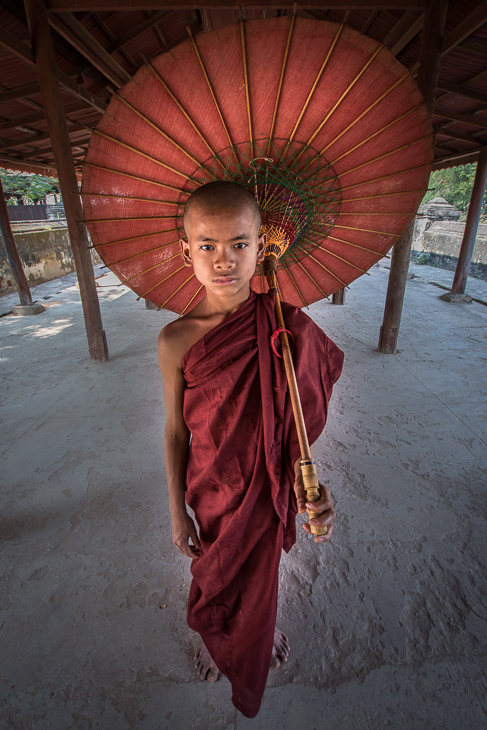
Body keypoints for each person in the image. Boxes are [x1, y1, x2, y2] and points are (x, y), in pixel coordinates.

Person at [158, 181, 344, 718]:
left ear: (262, 248)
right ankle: (215, 635)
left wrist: (313, 489)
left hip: (268, 483)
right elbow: (176, 432)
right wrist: (176, 511)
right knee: (213, 567)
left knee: (260, 568)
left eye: (240, 244)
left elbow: (295, 426)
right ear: (185, 248)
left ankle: (262, 624)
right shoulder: (176, 339)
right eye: (208, 244)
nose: (224, 261)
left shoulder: (289, 329)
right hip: (213, 484)